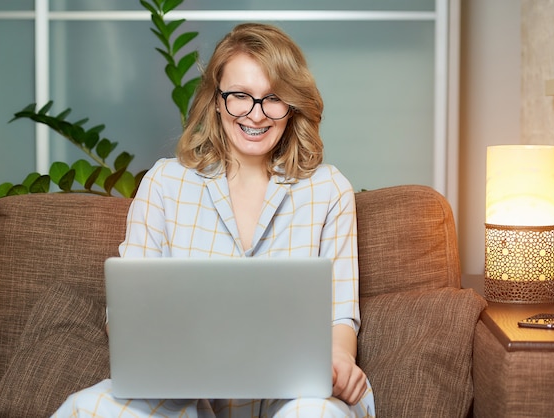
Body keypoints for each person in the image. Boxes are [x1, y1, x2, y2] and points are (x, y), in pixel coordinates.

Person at [52, 22, 375, 418]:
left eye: (272, 98)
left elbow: (340, 314)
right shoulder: (165, 182)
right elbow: (127, 315)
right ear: (217, 100)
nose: (255, 115)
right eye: (240, 96)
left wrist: (341, 360)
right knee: (84, 409)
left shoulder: (329, 188)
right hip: (181, 392)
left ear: (292, 106)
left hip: (298, 393)